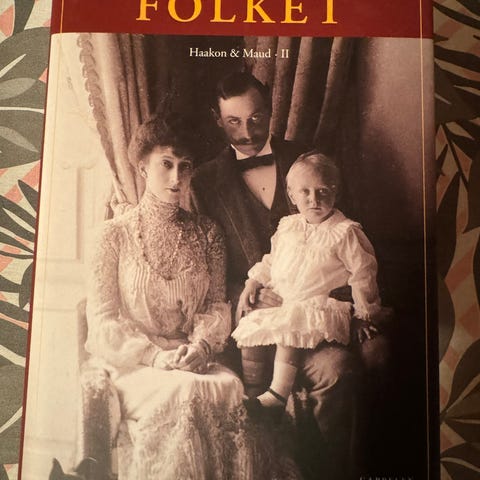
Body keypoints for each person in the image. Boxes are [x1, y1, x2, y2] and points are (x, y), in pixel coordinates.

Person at [85, 113, 288, 480]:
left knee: (226, 387)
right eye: (166, 164)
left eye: (185, 166)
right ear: (143, 167)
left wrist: (202, 348)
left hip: (194, 360)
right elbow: (103, 322)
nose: (176, 178)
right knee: (184, 394)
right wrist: (156, 356)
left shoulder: (208, 234)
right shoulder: (112, 236)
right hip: (136, 364)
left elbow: (216, 306)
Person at [191, 71, 365, 479]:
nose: (246, 132)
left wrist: (336, 298)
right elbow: (207, 268)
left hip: (315, 318)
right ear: (217, 120)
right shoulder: (204, 181)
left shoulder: (310, 160)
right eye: (233, 122)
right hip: (254, 323)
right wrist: (247, 292)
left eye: (255, 119)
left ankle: (325, 473)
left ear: (271, 110)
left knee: (337, 370)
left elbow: (352, 244)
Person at [232, 153, 385, 417]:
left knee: (291, 326)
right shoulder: (288, 226)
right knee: (251, 329)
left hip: (317, 308)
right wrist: (253, 282)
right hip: (284, 303)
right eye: (305, 191)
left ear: (335, 192)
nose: (314, 199)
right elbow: (271, 260)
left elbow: (363, 273)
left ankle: (277, 395)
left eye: (322, 191)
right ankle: (253, 393)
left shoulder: (345, 232)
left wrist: (363, 314)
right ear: (292, 195)